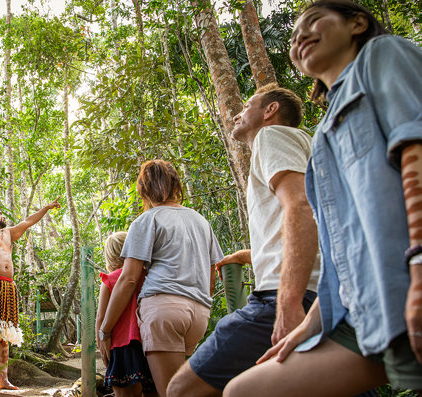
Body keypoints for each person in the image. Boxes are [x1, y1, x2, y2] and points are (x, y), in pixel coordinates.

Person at [223, 1, 422, 395]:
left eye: (312, 22)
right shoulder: (325, 134)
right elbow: (339, 243)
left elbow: (415, 149)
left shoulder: (383, 55)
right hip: (368, 303)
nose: (299, 36)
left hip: (409, 275)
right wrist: (310, 326)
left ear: (357, 23)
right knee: (244, 391)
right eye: (294, 34)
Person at [166, 84, 321, 396]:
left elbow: (300, 205)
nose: (236, 114)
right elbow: (307, 226)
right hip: (319, 295)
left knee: (182, 389)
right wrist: (248, 255)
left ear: (270, 111)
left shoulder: (272, 136)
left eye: (247, 106)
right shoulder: (308, 147)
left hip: (285, 296)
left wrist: (288, 303)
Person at [97, 159, 224, 397]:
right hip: (198, 315)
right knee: (180, 387)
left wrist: (105, 330)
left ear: (143, 190)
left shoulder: (147, 220)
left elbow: (129, 279)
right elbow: (211, 272)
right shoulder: (200, 221)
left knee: (171, 392)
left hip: (164, 312)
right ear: (177, 186)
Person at [0, 199, 60, 390]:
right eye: (0, 212)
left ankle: (3, 380)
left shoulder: (7, 233)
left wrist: (47, 207)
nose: (4, 216)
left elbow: (27, 221)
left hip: (7, 284)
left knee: (4, 332)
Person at [96, 232, 156, 397]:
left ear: (110, 256)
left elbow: (101, 317)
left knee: (125, 393)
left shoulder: (110, 280)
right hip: (150, 342)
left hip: (121, 345)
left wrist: (101, 343)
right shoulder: (148, 275)